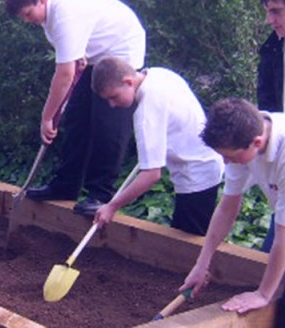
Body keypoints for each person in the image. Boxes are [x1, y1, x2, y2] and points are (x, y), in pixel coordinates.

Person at [3, 0, 146, 215]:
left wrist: (47, 116)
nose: (27, 20)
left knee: (107, 125)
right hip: (95, 57)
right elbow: (74, 59)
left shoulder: (65, 14)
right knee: (76, 119)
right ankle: (66, 185)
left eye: (27, 13)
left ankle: (101, 194)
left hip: (121, 52)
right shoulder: (49, 16)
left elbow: (65, 75)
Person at [91, 56, 223, 235]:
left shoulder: (146, 112)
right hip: (206, 163)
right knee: (183, 237)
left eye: (114, 97)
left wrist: (112, 206)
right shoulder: (159, 74)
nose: (112, 105)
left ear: (128, 81)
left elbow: (151, 175)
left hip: (196, 174)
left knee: (185, 243)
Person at [180, 98, 285, 316]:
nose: (226, 163)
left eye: (229, 157)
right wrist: (202, 264)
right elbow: (227, 208)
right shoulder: (243, 139)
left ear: (256, 143)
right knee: (269, 278)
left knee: (276, 295)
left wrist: (263, 294)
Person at [257, 0, 285, 252]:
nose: (270, 20)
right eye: (268, 12)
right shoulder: (273, 50)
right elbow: (267, 108)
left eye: (276, 11)